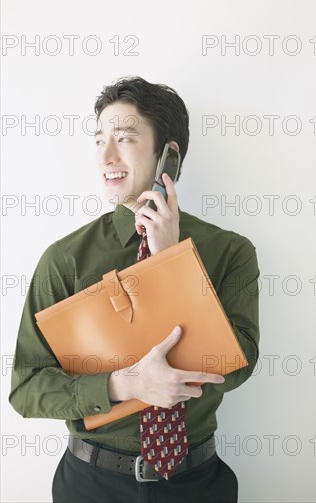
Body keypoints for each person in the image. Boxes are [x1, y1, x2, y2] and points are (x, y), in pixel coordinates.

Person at [9, 76, 260, 503]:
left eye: (124, 138)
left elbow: (236, 368)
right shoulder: (64, 258)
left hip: (197, 485)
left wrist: (169, 263)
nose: (106, 156)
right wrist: (124, 386)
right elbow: (26, 389)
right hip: (90, 484)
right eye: (99, 139)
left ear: (169, 155)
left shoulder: (229, 251)